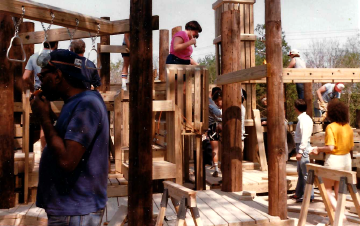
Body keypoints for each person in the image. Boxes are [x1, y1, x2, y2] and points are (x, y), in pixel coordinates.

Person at [31, 50, 109, 226]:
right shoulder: (77, 102)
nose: (40, 81)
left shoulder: (86, 105)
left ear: (58, 76)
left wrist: (44, 118)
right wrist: (48, 114)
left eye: (43, 76)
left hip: (75, 212)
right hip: (71, 209)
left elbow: (67, 160)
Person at [310, 99, 353, 213]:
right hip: (346, 160)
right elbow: (350, 147)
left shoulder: (331, 127)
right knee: (339, 191)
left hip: (334, 160)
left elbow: (330, 147)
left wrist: (318, 149)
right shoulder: (348, 127)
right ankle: (336, 217)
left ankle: (340, 215)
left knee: (325, 189)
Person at [23, 41, 58, 151]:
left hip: (40, 92)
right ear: (56, 45)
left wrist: (33, 87)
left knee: (44, 124)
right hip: (56, 94)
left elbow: (25, 77)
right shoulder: (56, 57)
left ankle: (44, 153)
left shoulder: (33, 57)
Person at [291, 99, 314, 203]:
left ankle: (309, 195)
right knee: (301, 172)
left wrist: (300, 151)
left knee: (305, 172)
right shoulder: (304, 118)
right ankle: (299, 193)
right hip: (301, 145)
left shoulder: (304, 120)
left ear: (296, 108)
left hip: (303, 146)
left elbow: (304, 137)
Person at [208, 87, 222, 177]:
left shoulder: (209, 103)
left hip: (213, 126)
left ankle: (216, 168)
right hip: (215, 125)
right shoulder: (211, 104)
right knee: (216, 149)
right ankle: (216, 168)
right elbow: (219, 114)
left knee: (215, 149)